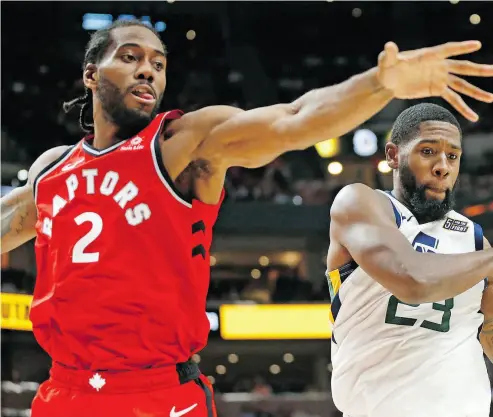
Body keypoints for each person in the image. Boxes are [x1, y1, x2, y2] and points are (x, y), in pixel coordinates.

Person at [1, 18, 493, 417]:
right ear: (91, 73)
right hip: (64, 391)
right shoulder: (53, 169)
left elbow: (294, 119)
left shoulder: (182, 145)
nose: (147, 70)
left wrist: (379, 84)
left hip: (156, 393)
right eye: (130, 57)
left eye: (158, 63)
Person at [326, 103, 493, 417]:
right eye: (428, 152)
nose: (442, 166)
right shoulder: (360, 203)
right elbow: (413, 281)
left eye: (452, 156)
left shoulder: (473, 239)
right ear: (393, 155)